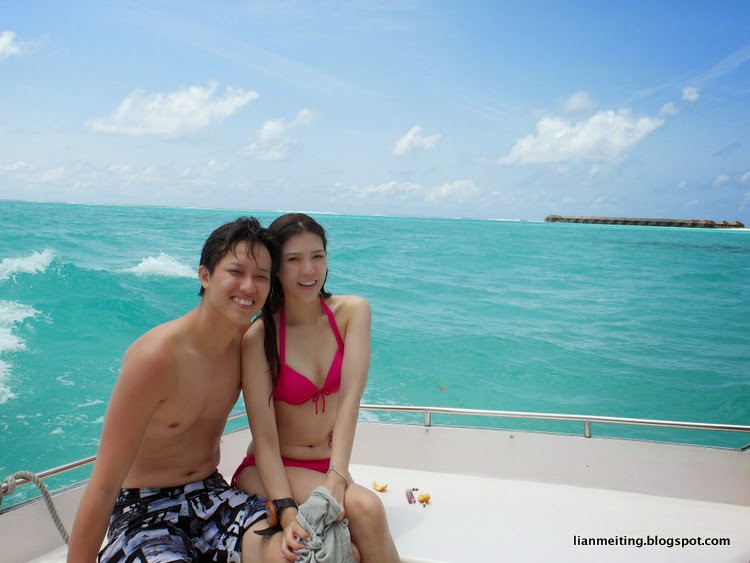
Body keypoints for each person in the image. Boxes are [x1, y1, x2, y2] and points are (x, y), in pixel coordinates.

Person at [67, 217, 285, 563]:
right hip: (143, 507)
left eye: (261, 277)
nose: (248, 286)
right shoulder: (155, 357)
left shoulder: (250, 346)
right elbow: (105, 484)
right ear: (205, 275)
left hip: (212, 494)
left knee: (301, 554)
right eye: (236, 271)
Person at [233, 213, 399, 562]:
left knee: (355, 542)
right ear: (276, 268)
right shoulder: (260, 337)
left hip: (328, 464)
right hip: (270, 470)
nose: (308, 270)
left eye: (317, 256)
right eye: (293, 259)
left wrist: (337, 474)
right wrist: (286, 509)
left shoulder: (353, 313)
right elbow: (265, 440)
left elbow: (350, 399)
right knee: (366, 508)